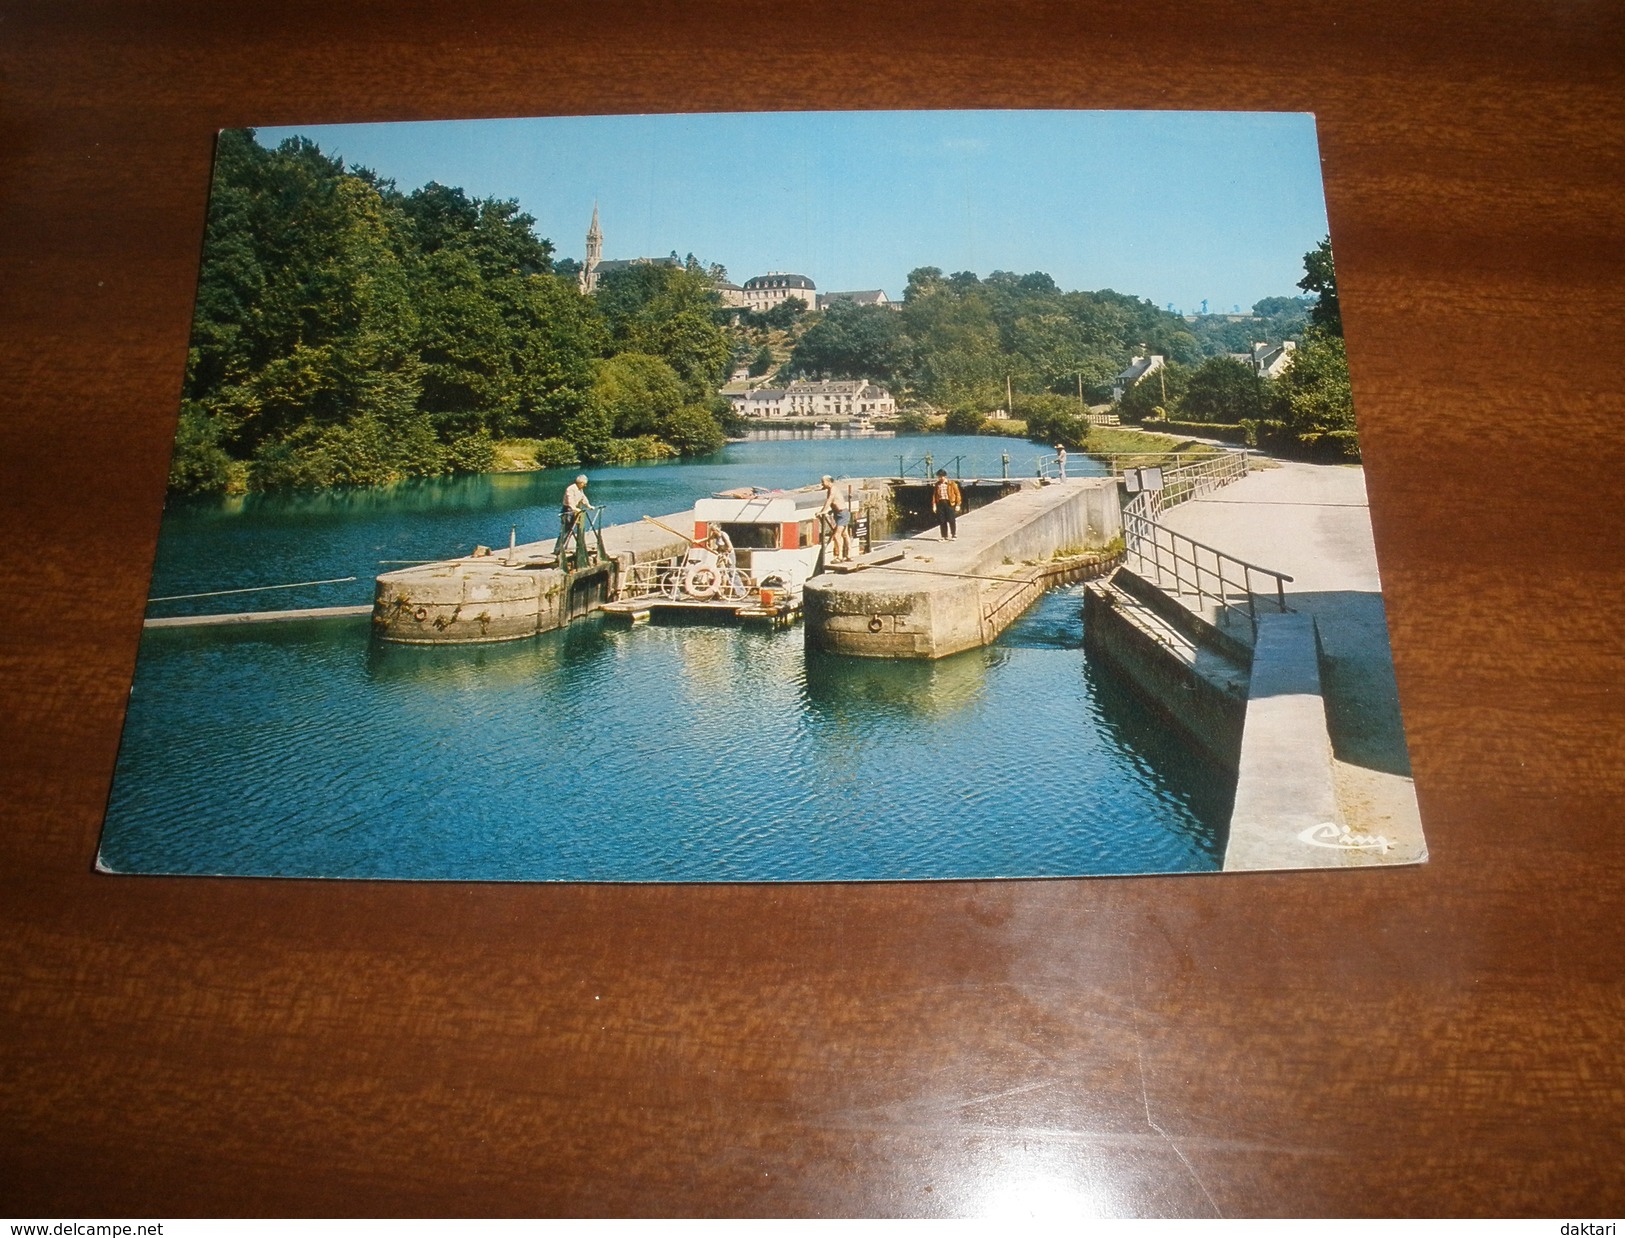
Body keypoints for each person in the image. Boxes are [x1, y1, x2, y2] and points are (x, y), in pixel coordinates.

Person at [819, 475, 853, 562]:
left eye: (823, 481)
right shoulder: (830, 489)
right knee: (845, 534)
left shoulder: (833, 489)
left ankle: (839, 556)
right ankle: (849, 555)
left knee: (838, 535)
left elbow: (830, 500)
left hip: (842, 514)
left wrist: (823, 511)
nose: (822, 483)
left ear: (828, 481)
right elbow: (832, 502)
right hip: (838, 514)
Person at [560, 474, 592, 547]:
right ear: (581, 483)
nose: (585, 486)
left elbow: (583, 497)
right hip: (568, 510)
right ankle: (559, 549)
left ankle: (567, 547)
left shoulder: (580, 489)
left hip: (575, 510)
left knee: (572, 530)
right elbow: (570, 500)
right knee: (566, 530)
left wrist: (588, 505)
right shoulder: (570, 489)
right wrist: (574, 508)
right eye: (584, 484)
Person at [932, 468, 962, 541]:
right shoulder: (937, 484)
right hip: (941, 503)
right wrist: (934, 505)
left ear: (945, 476)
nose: (940, 478)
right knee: (942, 520)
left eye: (941, 476)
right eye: (939, 477)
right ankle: (944, 536)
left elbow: (957, 494)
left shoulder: (952, 484)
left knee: (951, 519)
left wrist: (958, 504)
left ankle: (953, 534)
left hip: (949, 503)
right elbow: (934, 495)